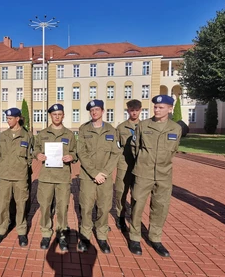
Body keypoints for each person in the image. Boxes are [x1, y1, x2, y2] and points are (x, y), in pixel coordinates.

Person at [129, 95, 182, 257]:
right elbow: (135, 148)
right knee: (137, 204)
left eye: (161, 107)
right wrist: (144, 161)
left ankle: (155, 237)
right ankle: (134, 237)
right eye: (156, 107)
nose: (157, 110)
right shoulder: (143, 125)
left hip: (164, 174)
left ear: (170, 109)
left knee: (160, 206)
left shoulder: (175, 128)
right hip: (143, 172)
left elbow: (173, 150)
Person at [76, 100, 121, 253]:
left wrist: (104, 173)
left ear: (102, 111)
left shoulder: (111, 130)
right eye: (91, 110)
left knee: (104, 207)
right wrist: (94, 173)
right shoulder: (83, 129)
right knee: (86, 207)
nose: (94, 112)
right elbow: (81, 152)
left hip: (105, 177)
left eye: (97, 109)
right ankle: (85, 235)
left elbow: (115, 153)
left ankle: (102, 236)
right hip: (88, 176)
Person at [33, 104, 77, 251]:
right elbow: (36, 149)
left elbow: (75, 152)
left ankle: (62, 234)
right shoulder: (43, 133)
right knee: (45, 207)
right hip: (46, 177)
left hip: (63, 177)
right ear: (50, 116)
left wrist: (72, 156)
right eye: (54, 114)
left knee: (62, 208)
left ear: (63, 115)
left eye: (59, 114)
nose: (57, 116)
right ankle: (46, 233)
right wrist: (37, 155)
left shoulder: (70, 135)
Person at [0, 108, 33, 247]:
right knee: (3, 204)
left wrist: (24, 166)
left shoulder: (27, 136)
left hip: (20, 176)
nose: (8, 120)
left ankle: (21, 231)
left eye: (10, 118)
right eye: (7, 118)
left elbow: (30, 155)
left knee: (21, 204)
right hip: (4, 176)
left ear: (17, 119)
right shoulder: (3, 136)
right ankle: (2, 229)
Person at [115, 99, 142, 231]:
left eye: (136, 110)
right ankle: (120, 217)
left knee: (137, 194)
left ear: (140, 111)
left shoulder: (145, 127)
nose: (134, 113)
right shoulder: (121, 128)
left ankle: (134, 218)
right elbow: (117, 146)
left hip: (140, 165)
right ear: (128, 111)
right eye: (132, 110)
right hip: (124, 165)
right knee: (121, 192)